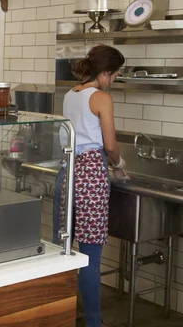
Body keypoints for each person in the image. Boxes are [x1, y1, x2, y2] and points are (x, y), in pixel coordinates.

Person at [53, 45, 129, 327]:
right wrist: (119, 165)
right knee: (90, 255)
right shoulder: (101, 97)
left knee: (64, 251)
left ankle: (61, 314)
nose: (114, 80)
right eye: (115, 74)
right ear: (105, 72)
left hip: (67, 171)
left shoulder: (70, 94)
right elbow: (109, 145)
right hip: (91, 176)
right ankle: (94, 323)